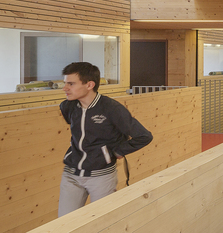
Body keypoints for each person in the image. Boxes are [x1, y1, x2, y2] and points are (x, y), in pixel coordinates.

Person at [58, 62, 153, 217]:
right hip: (71, 175)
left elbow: (144, 136)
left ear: (89, 85)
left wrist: (117, 151)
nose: (65, 88)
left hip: (101, 177)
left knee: (102, 222)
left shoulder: (112, 109)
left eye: (71, 84)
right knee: (65, 224)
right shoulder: (67, 107)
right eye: (65, 83)